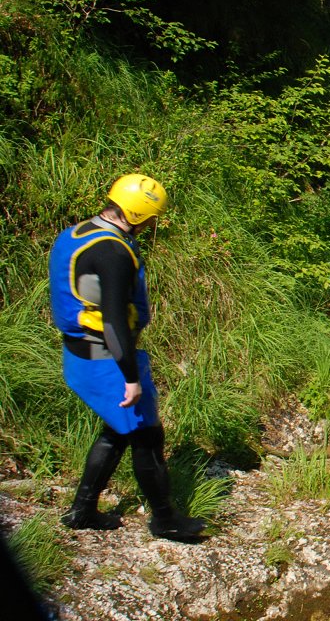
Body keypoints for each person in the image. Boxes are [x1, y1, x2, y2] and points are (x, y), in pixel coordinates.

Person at [48, 174, 206, 542]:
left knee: (118, 430)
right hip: (105, 358)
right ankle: (165, 520)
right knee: (147, 435)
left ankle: (82, 511)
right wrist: (131, 378)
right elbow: (114, 321)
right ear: (137, 213)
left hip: (79, 353)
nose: (153, 225)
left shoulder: (76, 233)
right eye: (152, 218)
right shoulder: (114, 252)